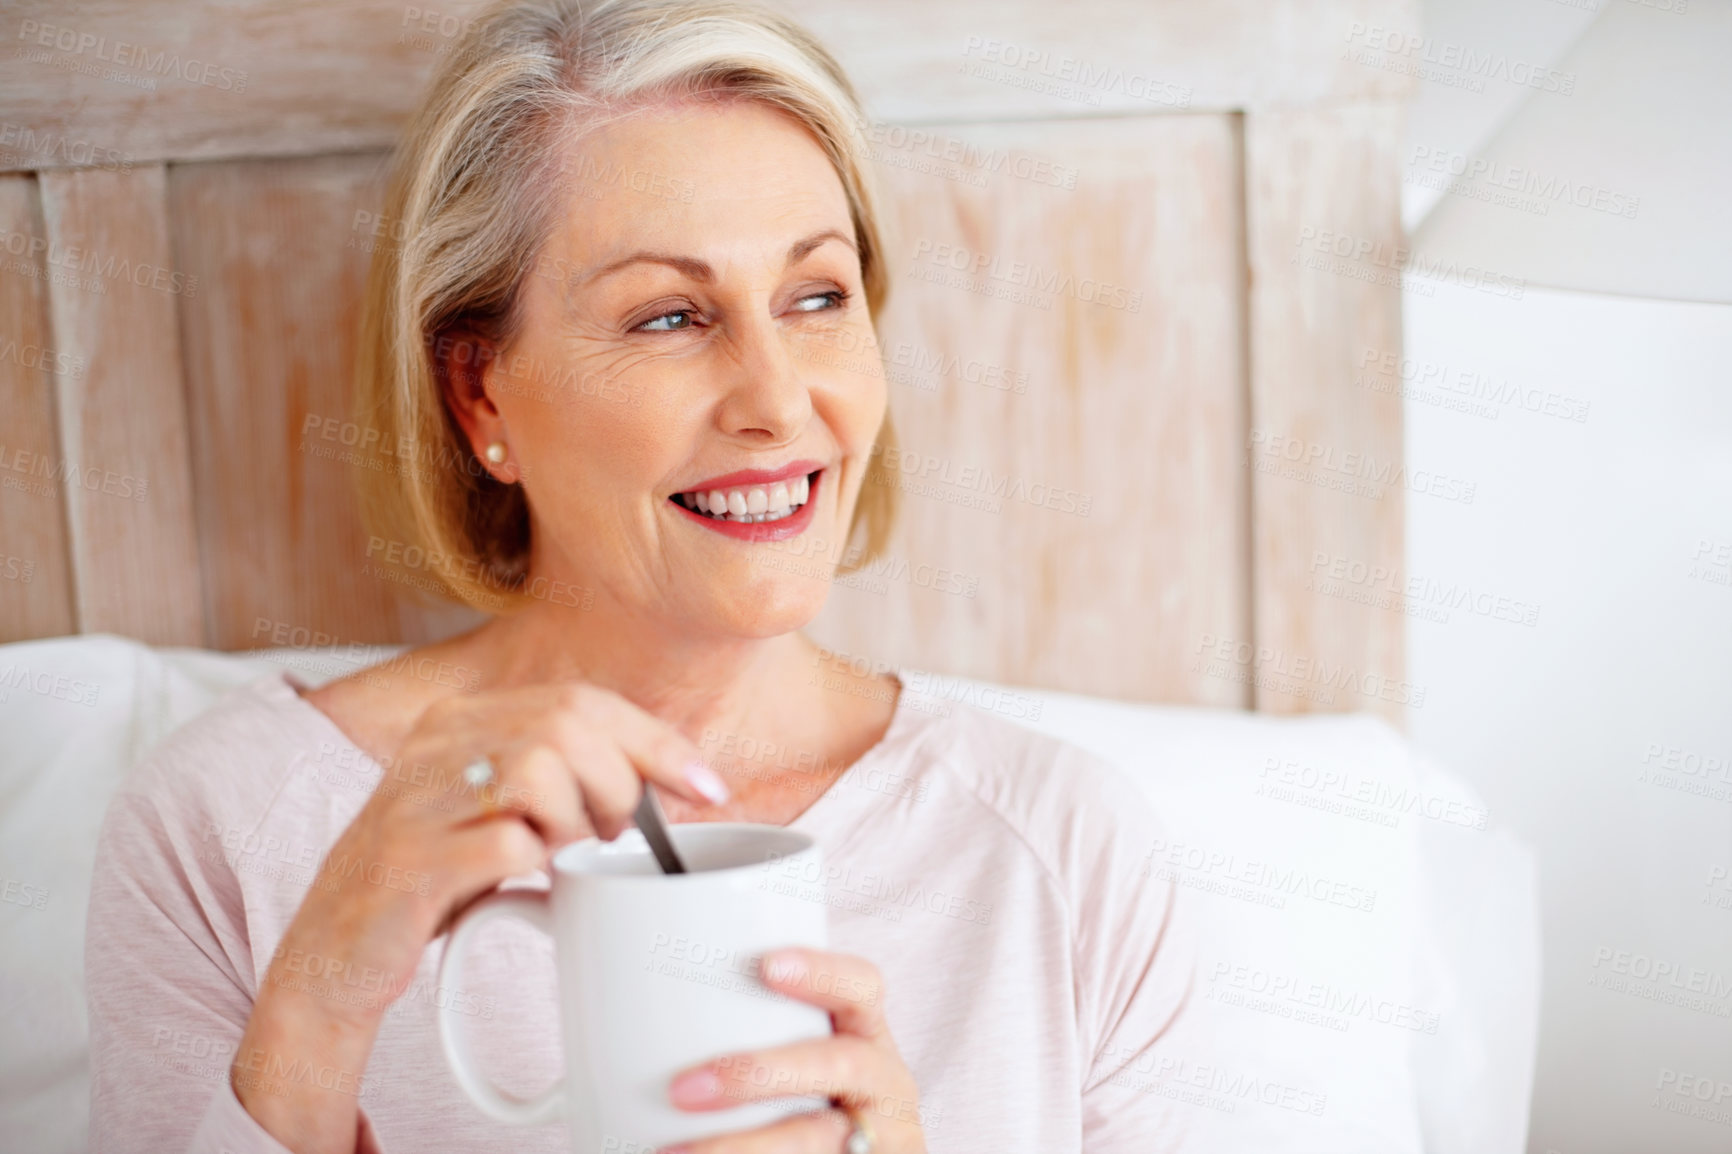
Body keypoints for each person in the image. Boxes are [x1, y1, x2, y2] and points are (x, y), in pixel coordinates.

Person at [84, 1, 1195, 1151]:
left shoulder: (1060, 851)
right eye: (669, 316)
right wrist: (318, 1002)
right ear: (480, 394)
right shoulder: (227, 832)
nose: (776, 401)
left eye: (817, 295)